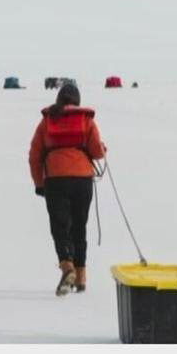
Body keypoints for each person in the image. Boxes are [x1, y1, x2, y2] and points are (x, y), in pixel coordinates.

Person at [29, 83, 106, 295]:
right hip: (82, 179)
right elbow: (97, 152)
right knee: (79, 227)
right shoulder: (86, 120)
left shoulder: (47, 121)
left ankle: (67, 266)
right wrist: (102, 148)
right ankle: (81, 278)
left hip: (56, 179)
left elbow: (34, 156)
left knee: (60, 226)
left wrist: (39, 183)